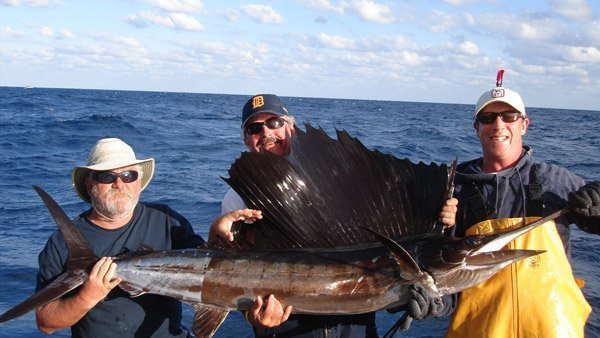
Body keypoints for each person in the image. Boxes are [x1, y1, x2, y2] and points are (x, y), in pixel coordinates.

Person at [213, 94, 458, 337]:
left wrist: (436, 217)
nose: (266, 133)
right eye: (254, 128)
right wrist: (251, 316)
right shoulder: (236, 199)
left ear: (292, 128)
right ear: (246, 140)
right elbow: (226, 275)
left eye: (275, 123)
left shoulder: (343, 180)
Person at [445, 71, 600, 337]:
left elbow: (595, 222)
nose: (498, 124)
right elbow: (446, 279)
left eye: (509, 116)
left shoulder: (556, 180)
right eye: (487, 118)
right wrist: (431, 304)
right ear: (476, 127)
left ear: (524, 124)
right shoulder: (454, 191)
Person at [35, 137, 206, 337]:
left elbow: (209, 270)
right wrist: (88, 295)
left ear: (139, 182)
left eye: (128, 175)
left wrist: (217, 228)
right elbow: (46, 323)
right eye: (107, 177)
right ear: (90, 185)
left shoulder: (168, 220)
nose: (119, 183)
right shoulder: (61, 243)